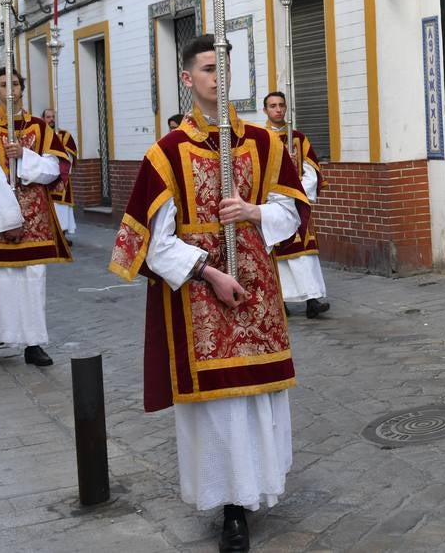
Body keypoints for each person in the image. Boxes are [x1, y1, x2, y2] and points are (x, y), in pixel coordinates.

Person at [109, 35, 309, 553]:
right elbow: (154, 244)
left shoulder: (266, 144)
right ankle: (230, 507)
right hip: (201, 296)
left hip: (258, 293)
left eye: (223, 66)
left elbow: (291, 215)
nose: (216, 77)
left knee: (258, 398)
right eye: (205, 68)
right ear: (187, 79)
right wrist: (209, 273)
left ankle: (261, 486)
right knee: (218, 408)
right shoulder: (166, 154)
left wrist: (253, 212)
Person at [0, 68, 71, 367]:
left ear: (22, 88)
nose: (9, 89)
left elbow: (55, 169)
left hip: (35, 218)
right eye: (3, 84)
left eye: (14, 83)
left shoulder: (39, 128)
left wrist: (24, 156)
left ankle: (33, 343)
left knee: (32, 280)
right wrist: (6, 216)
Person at [262, 91, 330, 318]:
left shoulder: (298, 138)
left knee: (305, 252)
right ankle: (282, 301)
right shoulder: (259, 139)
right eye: (273, 106)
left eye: (281, 105)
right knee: (277, 254)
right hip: (271, 203)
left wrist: (298, 193)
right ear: (265, 110)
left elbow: (310, 170)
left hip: (297, 202)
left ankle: (312, 300)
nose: (278, 109)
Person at [41, 108, 78, 242]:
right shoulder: (40, 135)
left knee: (61, 208)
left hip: (61, 178)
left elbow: (70, 154)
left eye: (52, 117)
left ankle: (62, 235)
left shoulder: (64, 135)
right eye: (48, 117)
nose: (51, 119)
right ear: (43, 119)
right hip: (45, 178)